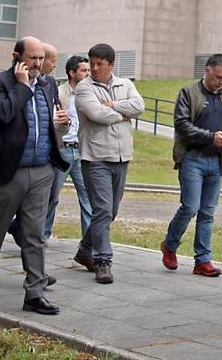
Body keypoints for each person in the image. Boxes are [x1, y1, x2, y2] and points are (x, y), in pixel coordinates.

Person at [0, 37, 69, 315]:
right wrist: (23, 86)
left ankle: (34, 292)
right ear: (17, 56)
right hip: (8, 170)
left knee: (35, 234)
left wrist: (63, 125)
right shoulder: (0, 83)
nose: (37, 63)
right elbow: (1, 115)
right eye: (32, 58)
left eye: (41, 58)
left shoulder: (48, 85)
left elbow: (47, 124)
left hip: (41, 170)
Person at [160, 54, 222, 277]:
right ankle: (170, 244)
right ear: (206, 71)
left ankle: (202, 260)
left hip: (216, 161)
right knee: (190, 207)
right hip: (192, 158)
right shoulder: (189, 93)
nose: (221, 82)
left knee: (208, 212)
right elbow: (181, 124)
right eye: (218, 77)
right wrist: (210, 137)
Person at [73, 43, 144, 284]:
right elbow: (96, 115)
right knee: (102, 209)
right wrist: (124, 115)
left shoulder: (126, 84)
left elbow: (139, 106)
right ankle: (102, 260)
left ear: (111, 65)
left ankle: (85, 249)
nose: (94, 68)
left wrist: (113, 106)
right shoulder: (84, 88)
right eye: (91, 63)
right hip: (95, 157)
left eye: (100, 64)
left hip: (122, 156)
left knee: (110, 211)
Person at [44, 55, 92, 240]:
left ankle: (88, 245)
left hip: (83, 151)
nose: (88, 73)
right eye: (84, 70)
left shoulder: (90, 93)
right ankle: (42, 235)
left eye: (88, 70)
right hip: (62, 150)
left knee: (87, 199)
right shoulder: (59, 92)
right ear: (72, 73)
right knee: (51, 197)